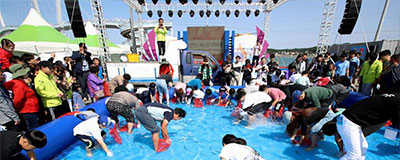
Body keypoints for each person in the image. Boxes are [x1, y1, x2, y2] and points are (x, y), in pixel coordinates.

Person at [337, 93, 400, 160]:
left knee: (363, 147)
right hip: (348, 121)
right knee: (354, 155)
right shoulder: (396, 102)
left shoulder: (394, 98)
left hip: (351, 121)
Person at [4, 64, 39, 130]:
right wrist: (16, 109)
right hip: (27, 110)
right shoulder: (19, 84)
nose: (27, 74)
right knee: (32, 129)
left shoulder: (20, 83)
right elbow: (18, 99)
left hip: (29, 110)